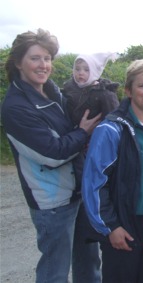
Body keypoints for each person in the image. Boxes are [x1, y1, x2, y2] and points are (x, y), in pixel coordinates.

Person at [1, 28, 102, 283]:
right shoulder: (16, 107)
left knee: (89, 262)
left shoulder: (51, 90)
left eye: (47, 58)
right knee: (55, 271)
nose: (43, 65)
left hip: (78, 191)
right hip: (52, 202)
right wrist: (83, 133)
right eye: (35, 58)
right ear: (18, 62)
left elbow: (70, 120)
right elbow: (53, 153)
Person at [81, 59, 143, 283]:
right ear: (128, 90)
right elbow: (94, 184)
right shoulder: (110, 130)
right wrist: (111, 227)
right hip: (126, 224)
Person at [63, 52, 120, 131]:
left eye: (86, 70)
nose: (81, 73)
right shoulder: (69, 87)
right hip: (72, 134)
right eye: (77, 69)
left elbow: (114, 121)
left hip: (95, 137)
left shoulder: (105, 93)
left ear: (94, 72)